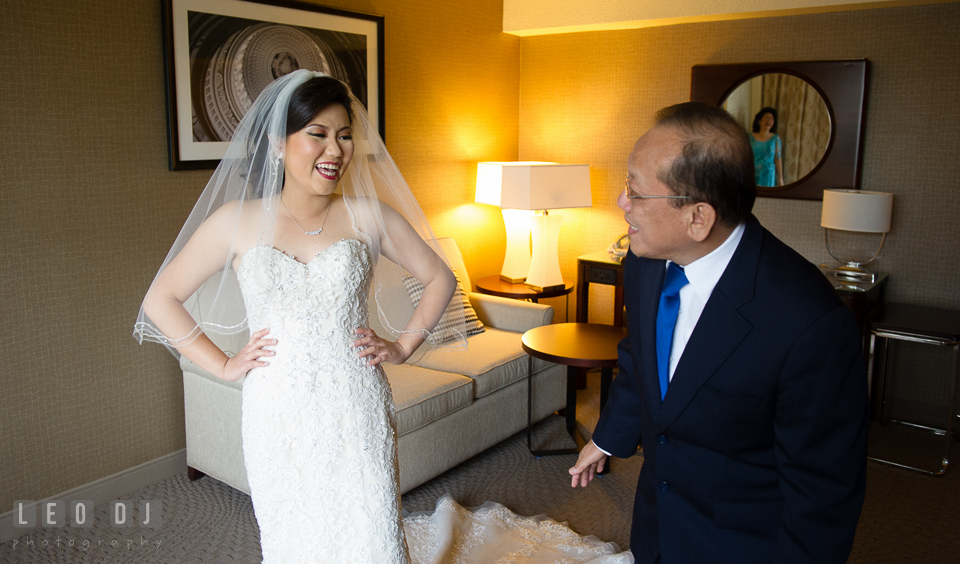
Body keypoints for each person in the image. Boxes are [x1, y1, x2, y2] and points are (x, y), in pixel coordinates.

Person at [136, 70, 632, 564]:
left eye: (345, 136)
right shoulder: (235, 222)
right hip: (277, 409)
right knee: (293, 529)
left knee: (370, 524)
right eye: (318, 134)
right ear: (277, 144)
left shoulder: (367, 216)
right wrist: (223, 365)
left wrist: (402, 346)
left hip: (356, 400)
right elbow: (161, 300)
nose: (335, 151)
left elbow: (440, 278)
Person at [569, 102, 867, 564]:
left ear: (698, 218)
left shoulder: (809, 323)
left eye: (636, 191)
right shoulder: (645, 262)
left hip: (741, 543)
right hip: (656, 525)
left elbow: (821, 496)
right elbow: (639, 359)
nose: (621, 202)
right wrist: (608, 436)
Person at [749, 107, 783, 186]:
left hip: (769, 175)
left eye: (771, 118)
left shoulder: (775, 139)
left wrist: (780, 179)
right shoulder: (750, 137)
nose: (769, 120)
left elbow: (778, 159)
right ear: (759, 121)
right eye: (766, 117)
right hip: (752, 174)